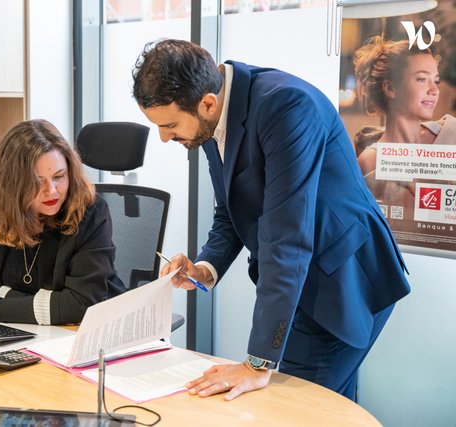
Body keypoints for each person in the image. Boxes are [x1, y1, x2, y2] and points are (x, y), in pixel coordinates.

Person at [131, 39, 410, 401]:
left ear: (207, 103)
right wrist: (205, 267)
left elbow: (286, 237)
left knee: (298, 409)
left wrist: (257, 362)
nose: (164, 138)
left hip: (343, 282)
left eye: (169, 125)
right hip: (299, 281)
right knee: (327, 409)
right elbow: (231, 209)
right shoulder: (212, 117)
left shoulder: (286, 106)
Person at [0, 119, 125, 325]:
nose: (52, 190)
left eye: (59, 176)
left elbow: (80, 305)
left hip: (92, 330)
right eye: (37, 181)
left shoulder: (90, 212)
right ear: (12, 185)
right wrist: (46, 307)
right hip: (30, 331)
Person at [353, 35, 455, 209]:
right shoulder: (370, 161)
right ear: (391, 88)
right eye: (422, 79)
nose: (435, 90)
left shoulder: (452, 132)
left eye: (436, 81)